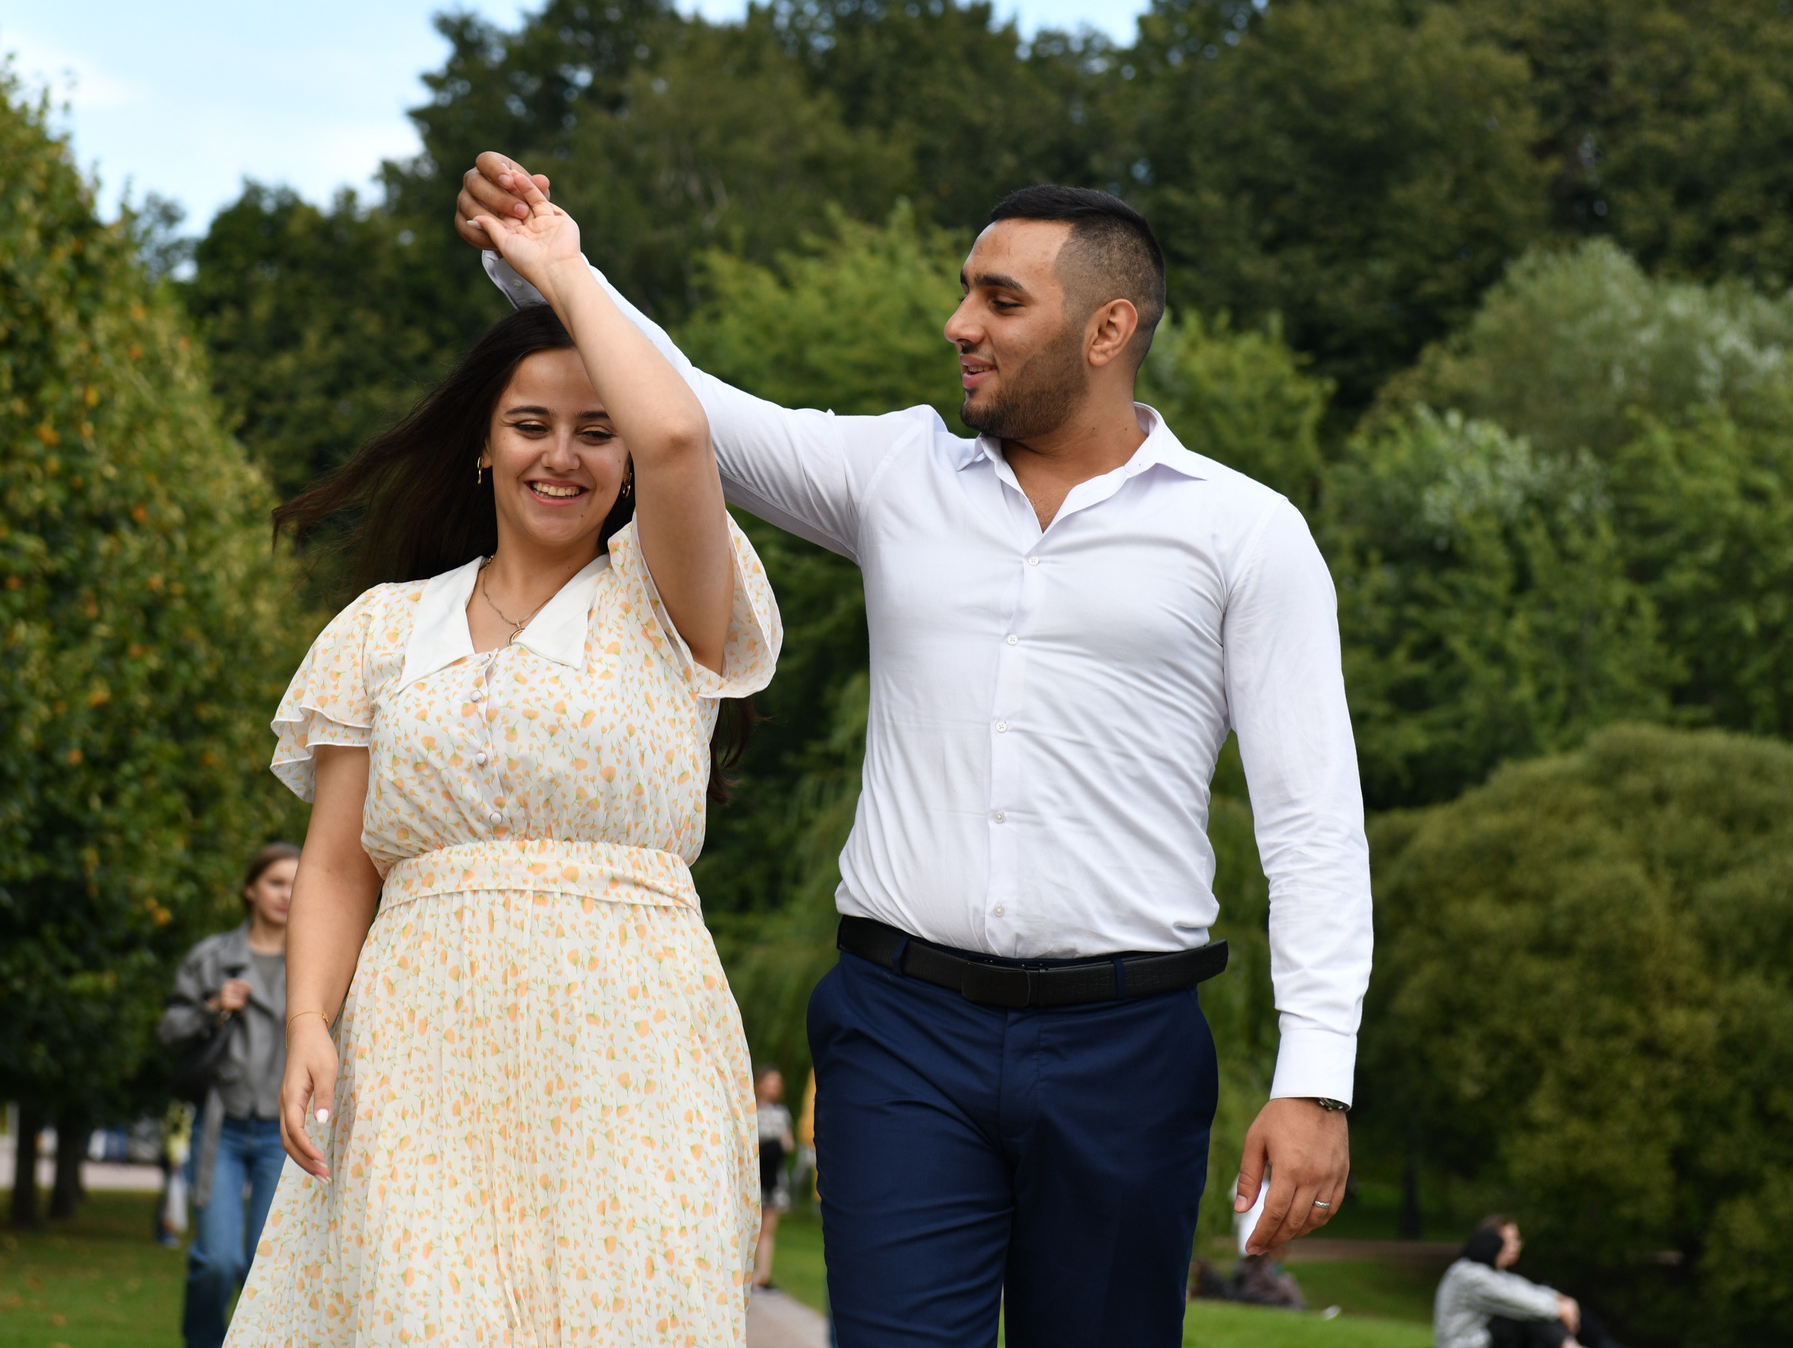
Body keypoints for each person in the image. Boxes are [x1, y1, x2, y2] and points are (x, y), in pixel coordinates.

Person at [458, 157, 1371, 1348]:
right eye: (964, 290)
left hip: (1128, 1047)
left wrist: (1315, 1076)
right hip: (901, 1034)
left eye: (1000, 299)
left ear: (1107, 329)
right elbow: (683, 406)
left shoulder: (1244, 532)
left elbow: (1310, 822)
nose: (958, 323)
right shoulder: (899, 476)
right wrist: (548, 262)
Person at [232, 190, 782, 1348]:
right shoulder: (380, 629)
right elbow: (335, 864)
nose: (562, 455)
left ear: (625, 456)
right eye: (531, 423)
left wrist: (562, 270)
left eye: (595, 430)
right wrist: (310, 1020)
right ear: (484, 443)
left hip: (635, 1051)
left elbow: (681, 437)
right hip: (418, 1051)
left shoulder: (671, 600)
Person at [160, 844, 299, 1347]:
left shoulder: (317, 957)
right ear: (250, 889)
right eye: (276, 882)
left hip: (285, 1135)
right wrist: (213, 1005)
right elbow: (168, 1029)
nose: (287, 894)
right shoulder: (212, 957)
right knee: (216, 1261)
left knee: (265, 1267)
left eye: (297, 884)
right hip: (221, 1128)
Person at [1434, 1217, 1620, 1348]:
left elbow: (1524, 1289)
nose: (1513, 1247)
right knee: (1529, 1314)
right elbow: (1518, 1301)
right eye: (1507, 1242)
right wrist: (1558, 1308)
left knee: (1542, 1307)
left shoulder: (1487, 1273)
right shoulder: (1473, 1276)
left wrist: (1561, 1300)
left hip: (1483, 1339)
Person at [751, 1066, 796, 1292]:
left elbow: (788, 1144)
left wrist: (775, 1147)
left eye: (777, 1084)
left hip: (774, 1177)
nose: (773, 1088)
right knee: (751, 1226)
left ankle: (763, 1276)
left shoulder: (782, 1113)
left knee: (769, 1227)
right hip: (755, 1176)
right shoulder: (751, 1109)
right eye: (770, 1082)